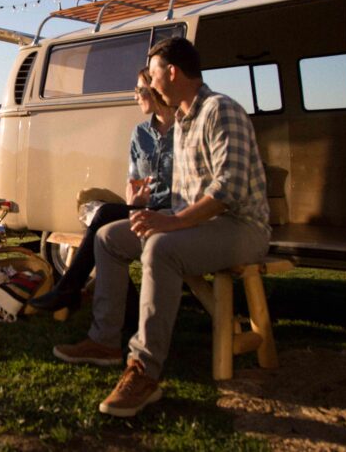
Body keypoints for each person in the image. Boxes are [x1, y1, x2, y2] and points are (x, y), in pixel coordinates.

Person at [53, 36, 270, 418]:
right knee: (108, 237)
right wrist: (151, 213)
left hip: (239, 228)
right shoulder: (183, 121)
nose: (150, 86)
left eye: (152, 77)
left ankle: (144, 370)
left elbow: (227, 190)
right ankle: (104, 342)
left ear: (172, 72)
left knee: (160, 248)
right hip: (195, 227)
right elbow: (184, 195)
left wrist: (169, 222)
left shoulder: (220, 110)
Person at [28, 69, 176, 322]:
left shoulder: (186, 129)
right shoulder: (140, 134)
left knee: (106, 215)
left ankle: (68, 290)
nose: (135, 97)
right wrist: (135, 199)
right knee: (103, 220)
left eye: (139, 90)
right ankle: (108, 308)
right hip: (148, 209)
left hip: (176, 212)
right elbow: (134, 181)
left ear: (156, 89)